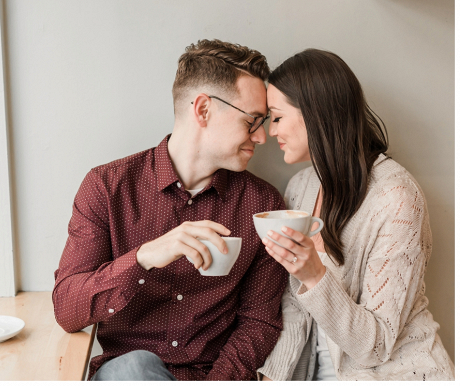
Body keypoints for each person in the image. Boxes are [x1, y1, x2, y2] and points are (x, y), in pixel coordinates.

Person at [53, 39, 289, 381]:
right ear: (204, 110)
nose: (263, 136)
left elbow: (258, 322)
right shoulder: (107, 186)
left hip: (215, 376)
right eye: (252, 120)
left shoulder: (263, 206)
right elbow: (67, 308)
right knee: (138, 366)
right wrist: (143, 257)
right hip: (129, 374)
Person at [256, 49, 455, 381]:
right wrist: (272, 376)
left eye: (276, 117)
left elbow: (375, 347)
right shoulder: (300, 188)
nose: (270, 132)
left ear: (313, 113)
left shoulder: (396, 197)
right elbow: (293, 309)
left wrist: (314, 275)